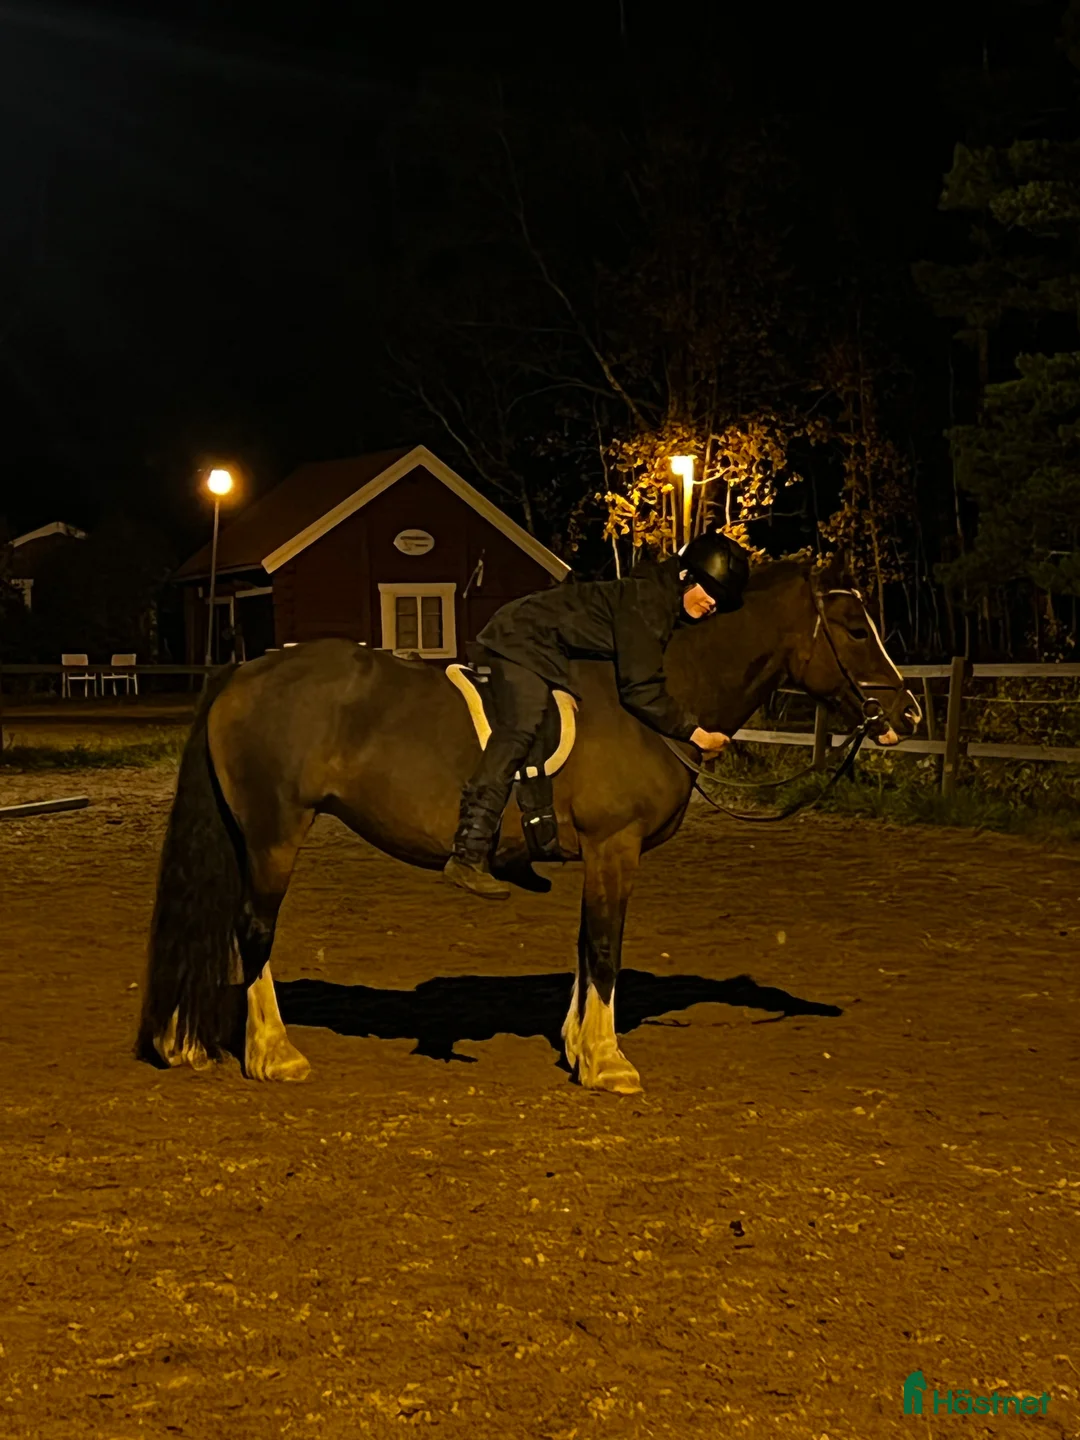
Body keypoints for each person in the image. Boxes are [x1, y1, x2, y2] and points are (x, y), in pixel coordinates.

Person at [444, 529, 751, 898]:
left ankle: (513, 851)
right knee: (521, 726)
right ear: (686, 577)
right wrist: (694, 733)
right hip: (520, 638)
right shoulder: (649, 603)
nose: (714, 604)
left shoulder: (658, 603)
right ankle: (470, 847)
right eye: (712, 593)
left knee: (552, 726)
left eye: (721, 600)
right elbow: (641, 690)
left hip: (550, 649)